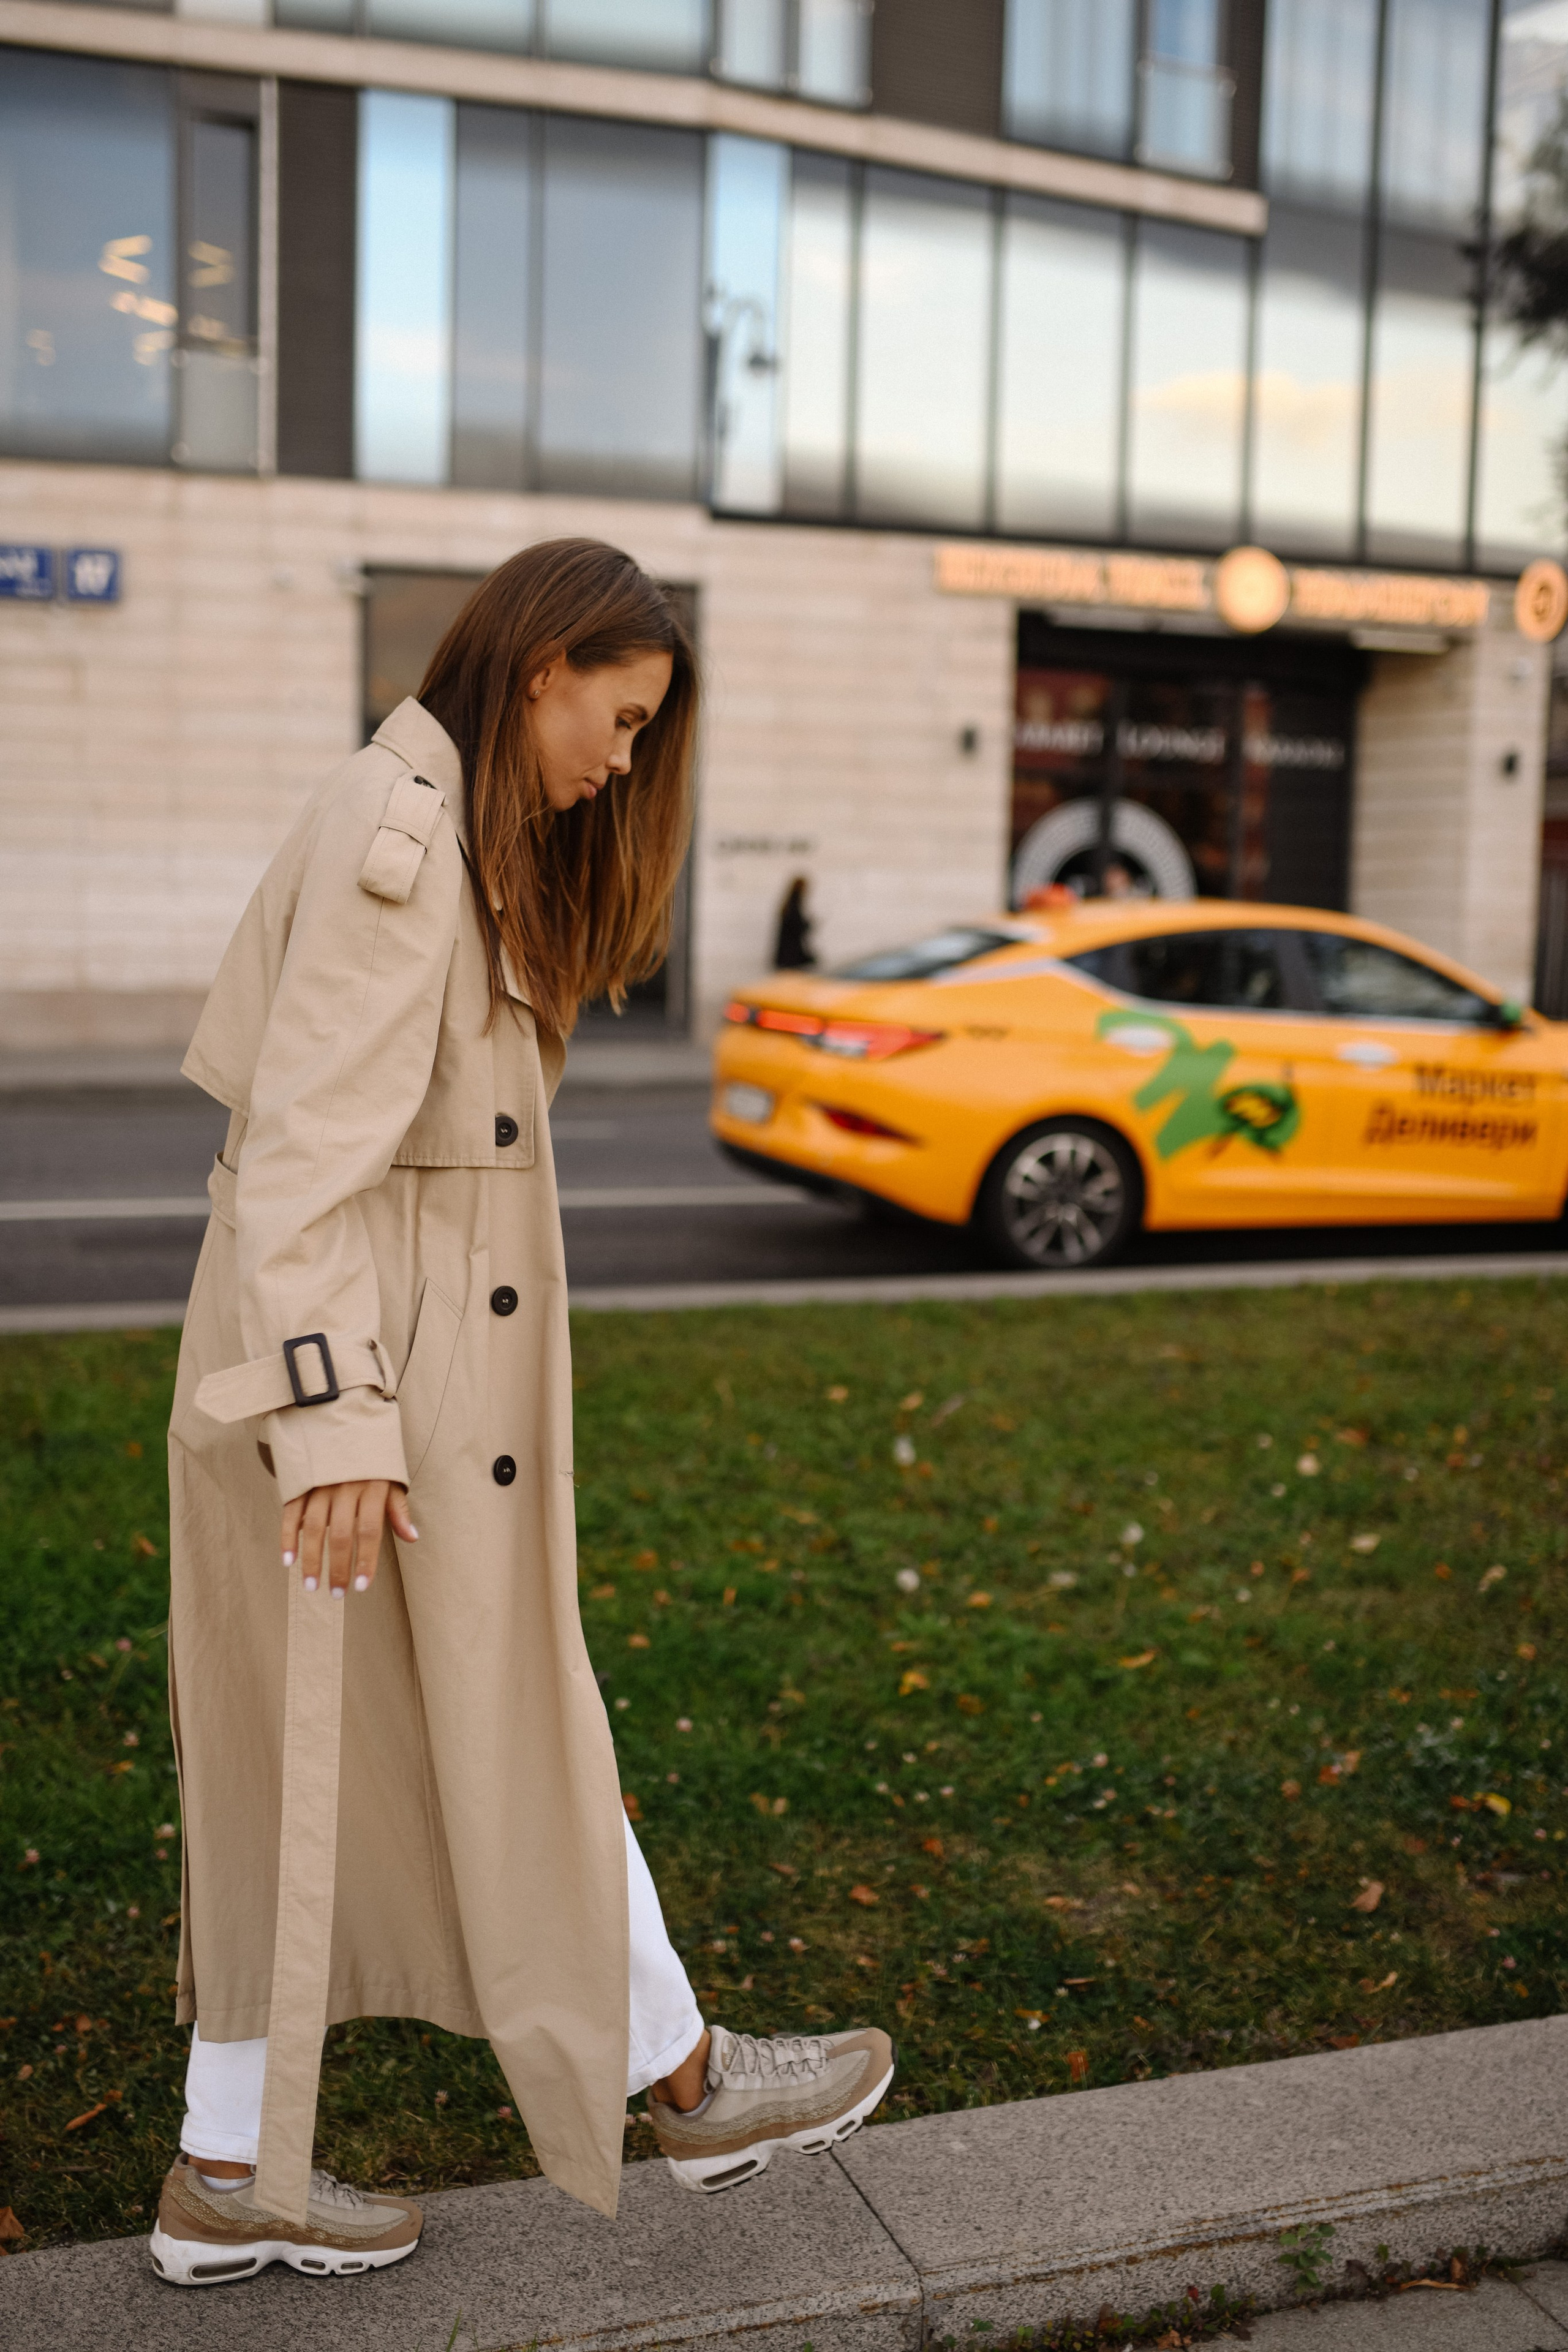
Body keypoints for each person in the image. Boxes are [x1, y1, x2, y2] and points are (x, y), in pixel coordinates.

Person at [152, 539, 894, 2291]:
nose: (623, 764)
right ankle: (685, 2082)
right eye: (619, 720)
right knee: (452, 1734)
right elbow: (303, 1168)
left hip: (380, 1388)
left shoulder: (431, 824)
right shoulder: (403, 842)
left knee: (349, 1760)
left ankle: (231, 2168)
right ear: (543, 665)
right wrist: (336, 1426)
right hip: (363, 1402)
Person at [773, 874, 816, 968]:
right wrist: (807, 925)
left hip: (786, 954)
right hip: (791, 954)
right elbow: (795, 926)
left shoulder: (789, 903)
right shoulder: (794, 903)